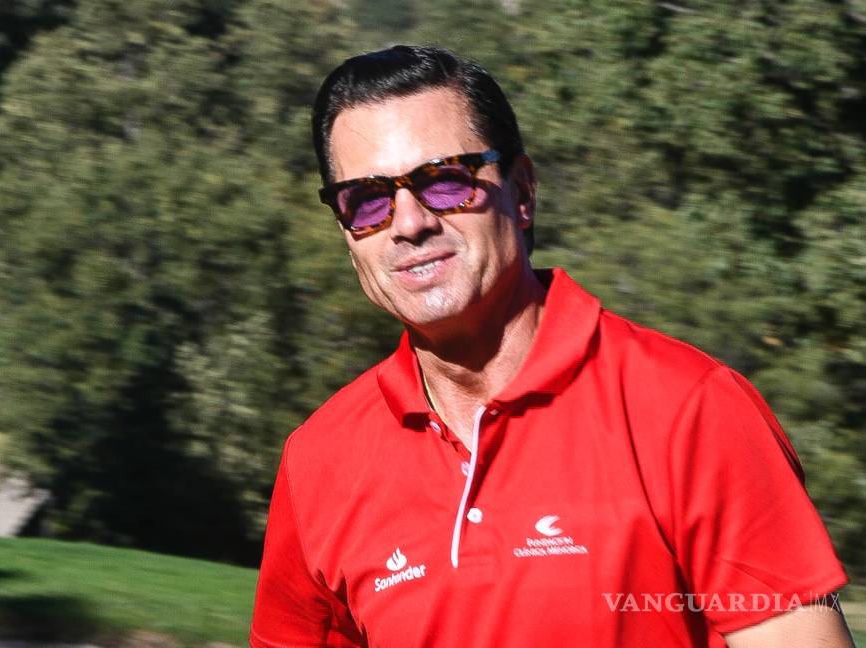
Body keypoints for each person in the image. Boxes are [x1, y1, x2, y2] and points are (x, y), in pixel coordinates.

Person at [250, 45, 853, 647]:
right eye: (367, 200)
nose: (409, 224)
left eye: (445, 182)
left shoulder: (690, 407)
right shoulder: (318, 461)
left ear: (522, 191)